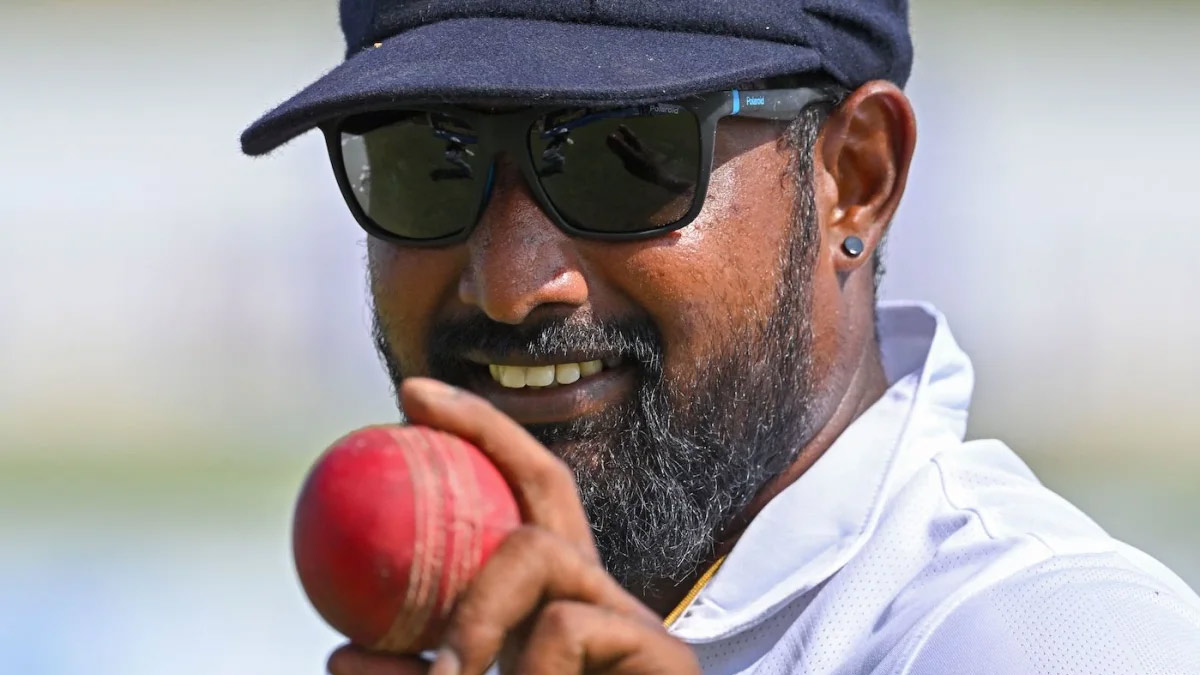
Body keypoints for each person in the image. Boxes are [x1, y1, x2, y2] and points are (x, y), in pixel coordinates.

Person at [242, 0, 1200, 672]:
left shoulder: (1058, 637)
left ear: (855, 178)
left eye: (624, 156)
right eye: (426, 161)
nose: (510, 286)